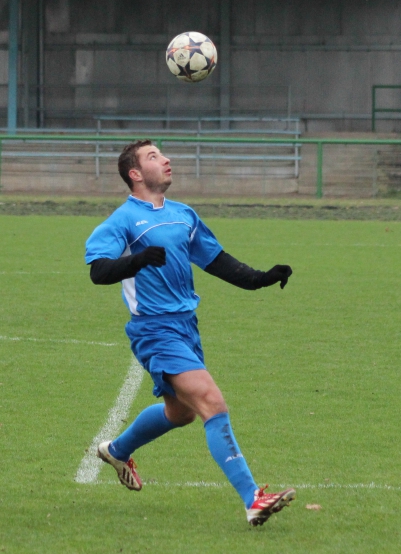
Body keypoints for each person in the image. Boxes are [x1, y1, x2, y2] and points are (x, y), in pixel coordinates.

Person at [85, 139, 295, 526]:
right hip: (154, 330)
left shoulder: (183, 215)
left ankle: (116, 450)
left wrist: (261, 278)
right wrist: (137, 261)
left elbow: (216, 260)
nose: (166, 159)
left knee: (180, 413)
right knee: (211, 401)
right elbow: (99, 271)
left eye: (162, 154)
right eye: (153, 156)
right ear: (135, 173)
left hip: (186, 327)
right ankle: (253, 498)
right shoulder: (123, 220)